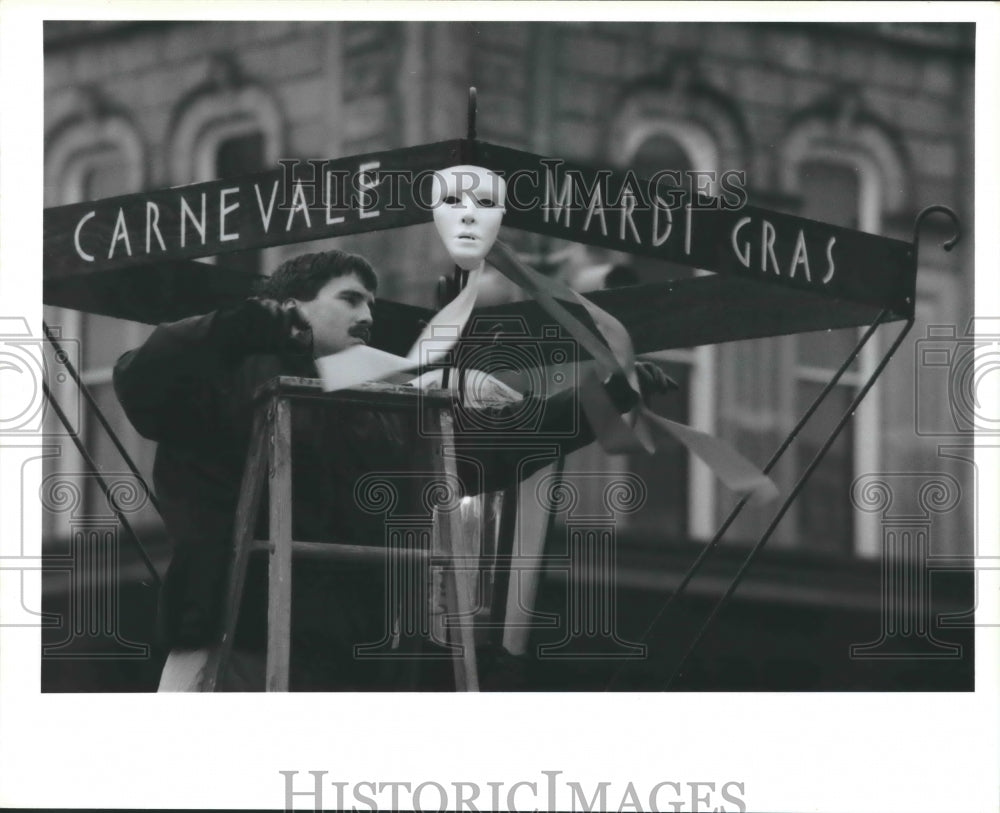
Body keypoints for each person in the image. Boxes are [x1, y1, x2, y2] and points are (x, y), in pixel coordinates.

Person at [115, 245, 671, 691]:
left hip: (354, 658)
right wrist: (239, 327)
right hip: (239, 645)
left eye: (372, 305)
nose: (368, 316)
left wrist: (611, 396)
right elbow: (145, 379)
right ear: (292, 305)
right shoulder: (230, 378)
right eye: (351, 299)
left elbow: (493, 448)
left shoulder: (383, 408)